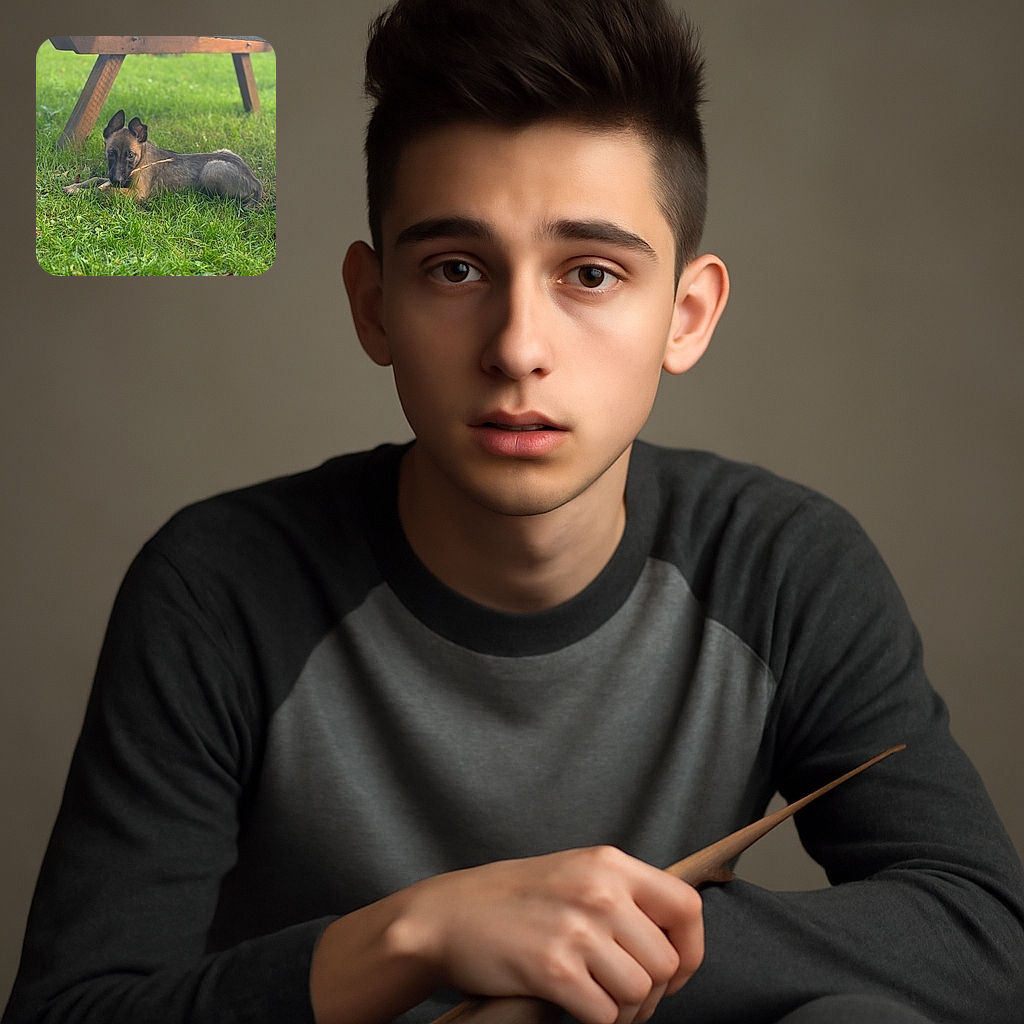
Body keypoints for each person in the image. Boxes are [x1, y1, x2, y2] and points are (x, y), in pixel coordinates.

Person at [5, 2, 1023, 1023]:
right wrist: (416, 935)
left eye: (590, 273)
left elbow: (984, 936)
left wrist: (605, 948)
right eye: (456, 269)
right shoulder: (219, 587)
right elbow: (73, 1009)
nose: (517, 346)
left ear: (686, 314)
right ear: (374, 306)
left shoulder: (783, 565)